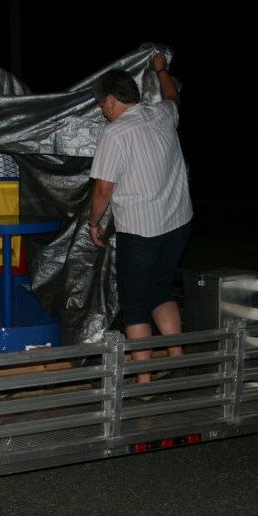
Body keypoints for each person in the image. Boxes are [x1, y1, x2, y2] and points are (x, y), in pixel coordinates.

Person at [87, 53, 193, 384]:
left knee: (134, 303)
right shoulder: (162, 114)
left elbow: (103, 189)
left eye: (102, 104)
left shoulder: (115, 133)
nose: (103, 110)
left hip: (141, 230)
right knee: (159, 290)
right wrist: (162, 70)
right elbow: (174, 95)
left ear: (113, 100)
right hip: (178, 222)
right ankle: (177, 360)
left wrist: (94, 223)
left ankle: (143, 381)